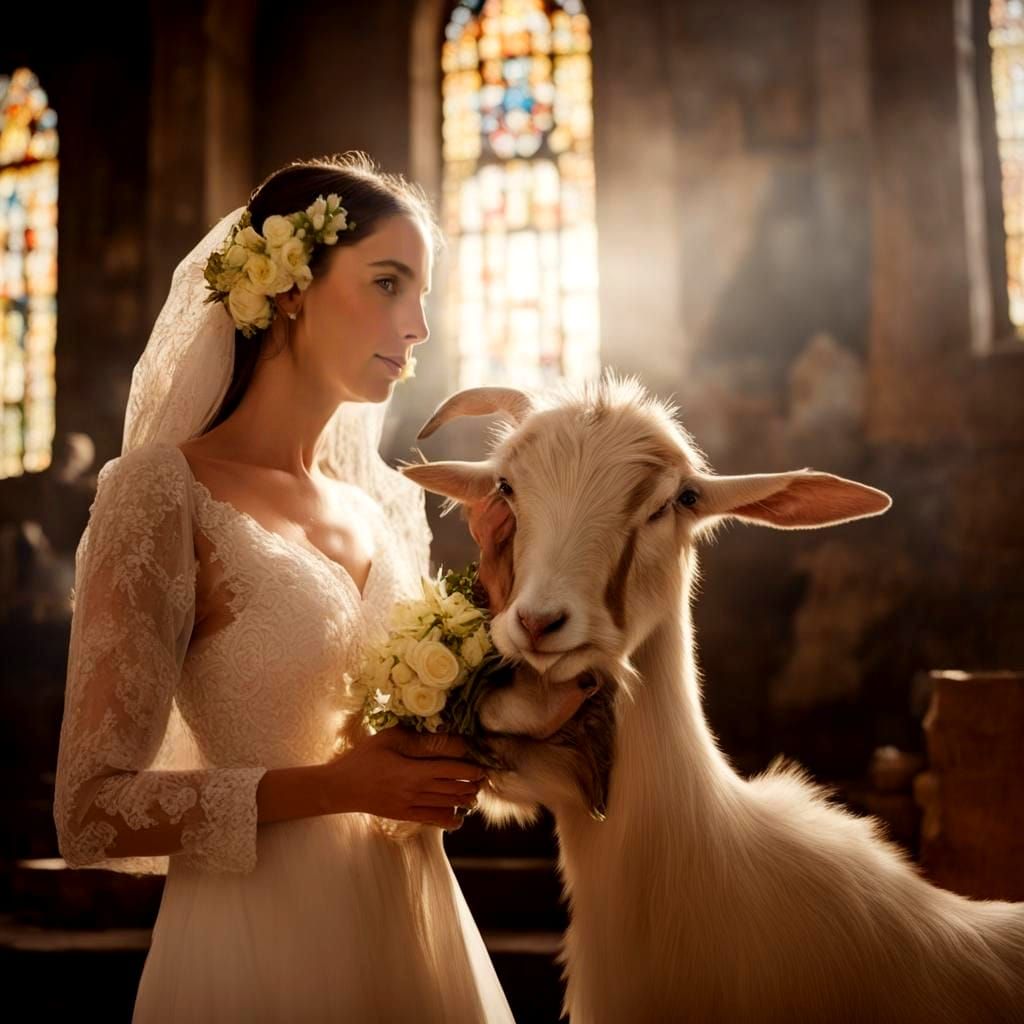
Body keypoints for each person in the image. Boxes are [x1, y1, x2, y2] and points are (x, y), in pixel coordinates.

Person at [53, 152, 514, 1023]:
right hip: (256, 949)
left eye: (423, 295)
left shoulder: (386, 507)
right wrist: (339, 788)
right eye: (388, 283)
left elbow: (421, 738)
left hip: (412, 938)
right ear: (291, 284)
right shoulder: (163, 492)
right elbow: (92, 812)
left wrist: (500, 579)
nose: (418, 326)